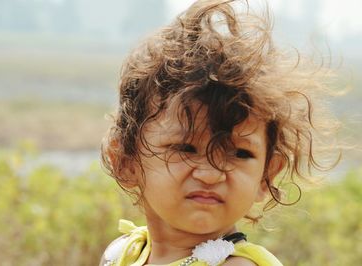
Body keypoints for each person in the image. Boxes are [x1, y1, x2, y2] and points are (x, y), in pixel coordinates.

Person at [99, 0, 340, 265]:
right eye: (185, 148)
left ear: (266, 175)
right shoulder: (123, 252)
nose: (211, 174)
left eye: (239, 153)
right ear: (125, 159)